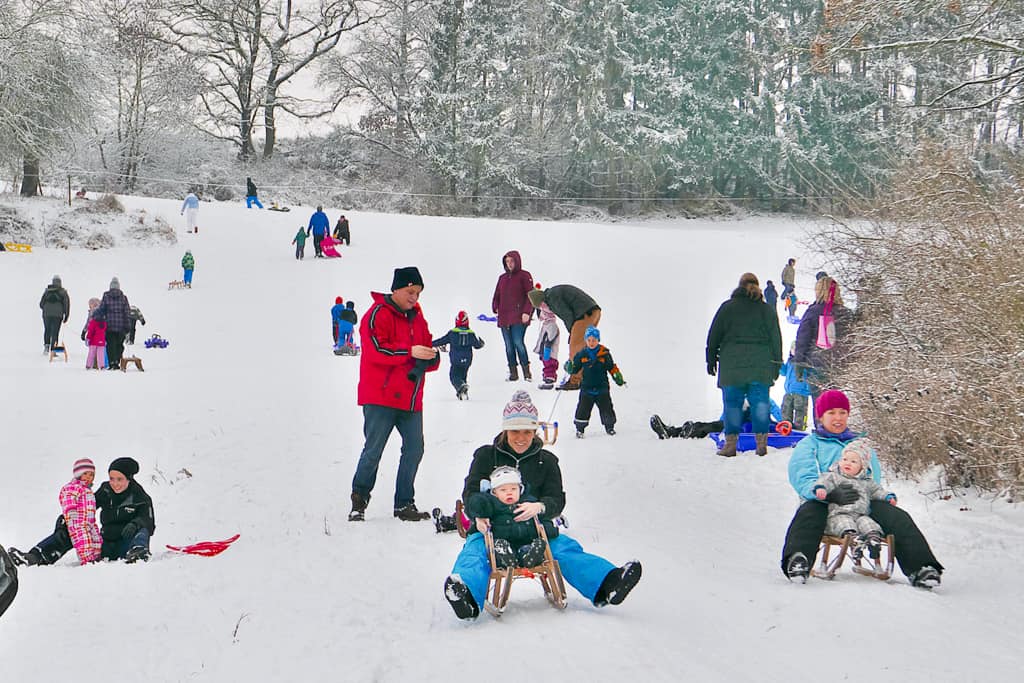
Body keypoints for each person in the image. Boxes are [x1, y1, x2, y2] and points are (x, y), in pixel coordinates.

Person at [443, 391, 642, 620]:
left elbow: (557, 499)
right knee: (475, 553)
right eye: (515, 431)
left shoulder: (546, 461)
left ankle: (608, 584)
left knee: (565, 549)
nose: (521, 437)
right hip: (491, 530)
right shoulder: (487, 456)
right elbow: (470, 493)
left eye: (527, 431)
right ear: (505, 430)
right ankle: (465, 596)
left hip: (534, 531)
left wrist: (540, 507)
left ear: (535, 431)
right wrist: (478, 516)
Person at [780, 390, 943, 588]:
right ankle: (797, 560)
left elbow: (872, 476)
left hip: (861, 501)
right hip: (824, 500)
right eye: (831, 413)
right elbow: (803, 477)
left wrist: (877, 496)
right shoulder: (810, 444)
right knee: (808, 513)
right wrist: (827, 494)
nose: (838, 418)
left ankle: (922, 568)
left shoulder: (860, 445)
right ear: (821, 416)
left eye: (842, 412)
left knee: (897, 517)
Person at [349, 267, 439, 522]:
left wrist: (432, 357)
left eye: (418, 293)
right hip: (380, 397)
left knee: (415, 449)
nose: (414, 298)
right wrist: (411, 352)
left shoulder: (418, 317)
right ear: (396, 289)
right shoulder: (377, 314)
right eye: (411, 292)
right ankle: (359, 498)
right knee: (374, 449)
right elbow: (376, 350)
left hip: (411, 399)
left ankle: (403, 503)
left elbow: (427, 348)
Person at [705, 273, 783, 456]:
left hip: (732, 366)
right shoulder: (766, 310)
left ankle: (730, 446)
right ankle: (761, 445)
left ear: (739, 286)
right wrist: (777, 364)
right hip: (760, 365)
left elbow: (714, 334)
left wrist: (710, 358)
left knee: (732, 404)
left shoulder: (727, 308)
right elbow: (776, 338)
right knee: (761, 404)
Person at [7, 459, 102, 567]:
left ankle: (96, 557)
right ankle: (88, 560)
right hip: (76, 521)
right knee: (81, 540)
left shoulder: (87, 490)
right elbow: (67, 498)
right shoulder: (74, 487)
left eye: (92, 474)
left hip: (88, 523)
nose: (89, 477)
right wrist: (71, 511)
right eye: (85, 473)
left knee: (95, 539)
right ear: (78, 474)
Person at [813, 440, 896, 560]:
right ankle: (854, 541)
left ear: (862, 466)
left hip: (860, 514)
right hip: (839, 514)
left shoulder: (867, 482)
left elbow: (877, 491)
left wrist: (888, 497)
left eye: (853, 461)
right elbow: (823, 482)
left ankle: (873, 540)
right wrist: (821, 489)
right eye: (845, 459)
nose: (848, 463)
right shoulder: (834, 476)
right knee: (846, 524)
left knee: (868, 523)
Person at [792, 276, 855, 425]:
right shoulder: (846, 313)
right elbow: (852, 340)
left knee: (820, 403)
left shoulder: (813, 311)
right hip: (839, 366)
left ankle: (822, 433)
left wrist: (799, 364)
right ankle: (836, 431)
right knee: (837, 404)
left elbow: (803, 339)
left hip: (817, 365)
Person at [464, 466, 554, 568]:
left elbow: (542, 521)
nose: (509, 492)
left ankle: (529, 556)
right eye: (503, 490)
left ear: (520, 489)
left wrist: (549, 529)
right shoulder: (492, 505)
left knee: (530, 547)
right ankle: (505, 557)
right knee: (499, 547)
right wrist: (480, 511)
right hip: (502, 541)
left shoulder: (529, 503)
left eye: (513, 489)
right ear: (494, 493)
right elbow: (476, 503)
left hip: (526, 541)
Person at [527, 284, 601, 390]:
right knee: (584, 346)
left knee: (575, 348)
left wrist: (572, 332)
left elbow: (567, 315)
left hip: (585, 313)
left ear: (542, 301)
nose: (542, 309)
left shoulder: (552, 298)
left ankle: (575, 381)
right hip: (592, 311)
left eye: (541, 306)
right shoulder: (552, 294)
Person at [566, 326, 624, 438]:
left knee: (606, 407)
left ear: (598, 340)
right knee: (583, 409)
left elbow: (611, 367)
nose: (591, 342)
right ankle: (580, 429)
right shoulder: (582, 354)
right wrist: (570, 367)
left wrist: (617, 376)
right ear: (586, 340)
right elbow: (575, 368)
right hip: (587, 388)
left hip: (602, 387)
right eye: (589, 340)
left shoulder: (604, 353)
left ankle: (609, 427)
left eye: (594, 340)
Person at [94, 457, 155, 563]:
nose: (115, 484)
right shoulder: (105, 490)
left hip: (126, 544)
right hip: (106, 543)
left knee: (143, 529)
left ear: (129, 478)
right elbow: (87, 507)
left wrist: (135, 524)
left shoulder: (140, 497)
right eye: (111, 478)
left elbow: (148, 521)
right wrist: (68, 516)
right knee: (73, 524)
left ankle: (138, 552)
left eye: (119, 479)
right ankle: (55, 551)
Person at [650, 396, 783, 440]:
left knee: (717, 425)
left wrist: (785, 423)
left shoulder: (763, 398)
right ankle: (672, 432)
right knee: (713, 426)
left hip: (755, 427)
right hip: (737, 423)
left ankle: (685, 431)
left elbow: (776, 411)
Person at [491, 250, 535, 382]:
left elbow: (531, 296)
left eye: (512, 261)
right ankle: (513, 373)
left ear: (517, 261)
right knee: (509, 346)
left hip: (519, 317)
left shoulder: (525, 276)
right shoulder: (502, 278)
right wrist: (495, 306)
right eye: (507, 261)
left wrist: (527, 312)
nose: (509, 264)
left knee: (518, 343)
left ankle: (526, 372)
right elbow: (497, 295)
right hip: (504, 317)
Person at [432, 310, 486, 400]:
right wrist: (481, 343)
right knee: (463, 375)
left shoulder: (452, 333)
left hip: (456, 360)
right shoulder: (471, 333)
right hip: (467, 360)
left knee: (453, 376)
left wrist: (429, 343)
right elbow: (477, 345)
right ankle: (463, 393)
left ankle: (461, 387)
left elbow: (441, 341)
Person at [93, 277, 131, 370]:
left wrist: (95, 316)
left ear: (110, 287)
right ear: (119, 287)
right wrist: (128, 326)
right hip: (121, 326)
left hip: (109, 325)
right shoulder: (123, 298)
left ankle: (112, 363)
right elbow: (127, 312)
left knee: (110, 345)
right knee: (119, 345)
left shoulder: (106, 296)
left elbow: (102, 309)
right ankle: (117, 361)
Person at [780, 342, 811, 430]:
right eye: (793, 349)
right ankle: (785, 427)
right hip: (789, 391)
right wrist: (780, 364)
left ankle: (800, 428)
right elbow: (783, 372)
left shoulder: (805, 362)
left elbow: (811, 375)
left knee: (800, 412)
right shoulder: (790, 362)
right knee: (786, 410)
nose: (795, 351)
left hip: (801, 392)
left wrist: (808, 388)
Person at [39, 275, 70, 353]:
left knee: (47, 330)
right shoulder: (63, 292)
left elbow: (41, 304)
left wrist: (46, 309)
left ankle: (46, 347)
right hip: (58, 315)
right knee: (55, 332)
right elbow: (66, 304)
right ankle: (53, 349)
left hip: (46, 314)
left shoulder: (47, 291)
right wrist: (66, 315)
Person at [533, 301, 560, 386]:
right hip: (544, 350)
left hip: (549, 351)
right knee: (546, 363)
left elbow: (551, 337)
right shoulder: (546, 323)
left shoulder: (552, 324)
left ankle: (550, 377)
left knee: (550, 364)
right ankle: (547, 375)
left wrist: (547, 349)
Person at [84, 302, 108, 370]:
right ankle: (102, 366)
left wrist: (88, 339)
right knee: (101, 355)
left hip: (93, 342)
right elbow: (104, 332)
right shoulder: (104, 323)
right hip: (102, 342)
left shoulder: (93, 322)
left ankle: (88, 365)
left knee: (91, 354)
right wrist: (105, 340)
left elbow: (90, 332)